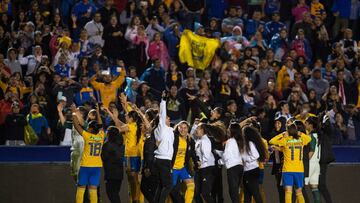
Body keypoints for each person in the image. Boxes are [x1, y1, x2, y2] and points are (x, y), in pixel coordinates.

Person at [269, 122, 311, 203]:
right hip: (299, 170)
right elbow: (309, 139)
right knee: (299, 193)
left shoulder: (285, 140)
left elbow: (271, 141)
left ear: (287, 131)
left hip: (287, 170)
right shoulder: (301, 139)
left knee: (288, 193)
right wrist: (299, 133)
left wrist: (282, 134)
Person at [72, 104, 105, 203]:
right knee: (93, 190)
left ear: (90, 129)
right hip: (97, 166)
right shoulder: (101, 136)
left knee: (81, 189)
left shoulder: (87, 136)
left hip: (86, 165)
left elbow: (76, 125)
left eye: (89, 127)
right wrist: (98, 112)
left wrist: (74, 113)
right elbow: (100, 125)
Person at [153, 91, 175, 203]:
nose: (168, 118)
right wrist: (163, 100)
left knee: (162, 185)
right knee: (168, 185)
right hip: (163, 160)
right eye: (167, 118)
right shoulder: (161, 128)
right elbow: (162, 113)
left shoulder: (170, 130)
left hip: (164, 160)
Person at [171, 121, 195, 203]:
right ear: (177, 128)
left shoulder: (189, 140)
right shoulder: (174, 138)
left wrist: (197, 161)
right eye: (180, 127)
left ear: (188, 129)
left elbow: (192, 152)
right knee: (172, 190)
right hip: (173, 168)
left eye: (185, 128)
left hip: (182, 168)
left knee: (191, 185)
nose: (182, 129)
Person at [242, 126, 267, 203]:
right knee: (247, 194)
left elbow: (256, 155)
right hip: (248, 171)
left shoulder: (250, 143)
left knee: (255, 193)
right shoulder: (247, 143)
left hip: (251, 171)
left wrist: (246, 160)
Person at [101, 126, 125, 203]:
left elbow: (104, 157)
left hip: (111, 173)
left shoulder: (107, 145)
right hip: (119, 173)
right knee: (115, 194)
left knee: (112, 194)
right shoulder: (120, 144)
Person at [194, 123, 216, 203]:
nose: (196, 130)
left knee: (205, 193)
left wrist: (200, 163)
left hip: (207, 169)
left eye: (198, 128)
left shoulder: (205, 140)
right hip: (201, 169)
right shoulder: (199, 140)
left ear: (203, 130)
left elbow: (206, 156)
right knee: (196, 193)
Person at [304, 116, 321, 203]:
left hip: (309, 164)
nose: (304, 124)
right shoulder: (318, 135)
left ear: (311, 125)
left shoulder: (310, 136)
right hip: (316, 164)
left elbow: (312, 150)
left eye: (306, 123)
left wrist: (304, 162)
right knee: (314, 187)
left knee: (300, 187)